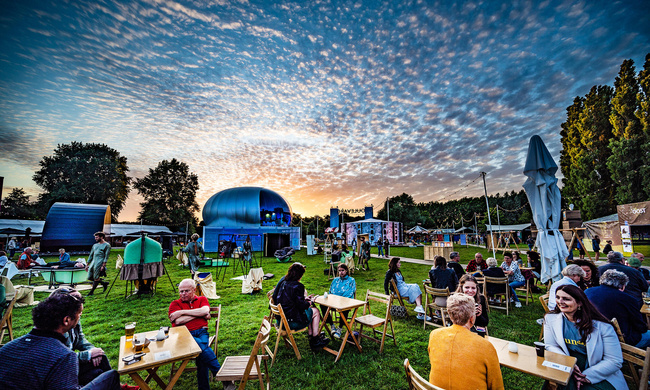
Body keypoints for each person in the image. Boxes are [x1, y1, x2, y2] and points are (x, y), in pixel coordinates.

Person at [0, 292, 120, 390]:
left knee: (96, 372)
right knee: (111, 376)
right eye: (79, 315)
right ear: (66, 320)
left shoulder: (7, 348)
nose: (79, 319)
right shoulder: (64, 356)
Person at [544, 285, 625, 389]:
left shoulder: (603, 327)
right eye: (558, 297)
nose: (560, 301)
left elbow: (614, 360)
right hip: (566, 365)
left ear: (579, 303)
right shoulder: (551, 319)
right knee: (556, 383)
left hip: (598, 372)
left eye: (566, 299)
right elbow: (551, 345)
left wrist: (585, 376)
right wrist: (569, 365)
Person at [49, 287, 126, 387]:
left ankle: (118, 386)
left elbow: (80, 340)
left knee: (99, 363)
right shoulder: (55, 328)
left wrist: (93, 351)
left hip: (73, 365)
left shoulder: (73, 319)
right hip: (64, 372)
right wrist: (88, 355)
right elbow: (62, 359)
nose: (79, 315)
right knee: (101, 373)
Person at [427, 293, 504, 390]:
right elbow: (496, 386)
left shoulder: (434, 335)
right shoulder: (485, 346)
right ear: (472, 318)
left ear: (451, 316)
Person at [169, 279, 233, 390]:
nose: (183, 294)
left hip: (202, 332)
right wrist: (199, 314)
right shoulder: (175, 304)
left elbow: (204, 311)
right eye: (181, 291)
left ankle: (204, 388)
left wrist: (182, 312)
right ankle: (222, 376)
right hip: (184, 335)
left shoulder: (202, 299)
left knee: (201, 352)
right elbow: (178, 321)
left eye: (186, 291)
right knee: (202, 348)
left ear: (194, 290)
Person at [585, 270, 650, 349]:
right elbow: (640, 325)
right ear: (622, 286)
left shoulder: (588, 291)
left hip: (593, 333)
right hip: (619, 338)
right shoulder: (627, 298)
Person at [273, 263, 330, 350]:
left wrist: (304, 299)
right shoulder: (298, 286)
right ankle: (315, 339)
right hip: (291, 322)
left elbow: (291, 300)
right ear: (299, 275)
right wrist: (310, 301)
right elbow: (302, 307)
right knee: (315, 311)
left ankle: (312, 338)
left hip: (281, 321)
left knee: (311, 311)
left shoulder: (284, 283)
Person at [326, 263, 356, 338]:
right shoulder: (335, 280)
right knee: (323, 305)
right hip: (334, 303)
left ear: (346, 271)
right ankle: (332, 325)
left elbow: (350, 293)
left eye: (342, 270)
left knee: (344, 309)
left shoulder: (351, 280)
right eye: (339, 271)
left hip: (345, 303)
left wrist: (338, 300)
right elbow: (331, 291)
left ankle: (340, 328)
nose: (341, 272)